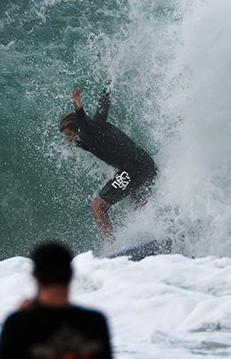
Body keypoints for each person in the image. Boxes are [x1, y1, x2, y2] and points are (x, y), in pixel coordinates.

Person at [60, 84, 158, 244]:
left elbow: (83, 125)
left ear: (77, 129)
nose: (70, 139)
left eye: (70, 134)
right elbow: (103, 106)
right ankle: (154, 234)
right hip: (147, 165)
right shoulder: (98, 124)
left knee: (97, 207)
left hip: (133, 170)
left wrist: (79, 109)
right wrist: (108, 83)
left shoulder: (87, 133)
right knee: (137, 206)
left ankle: (113, 246)